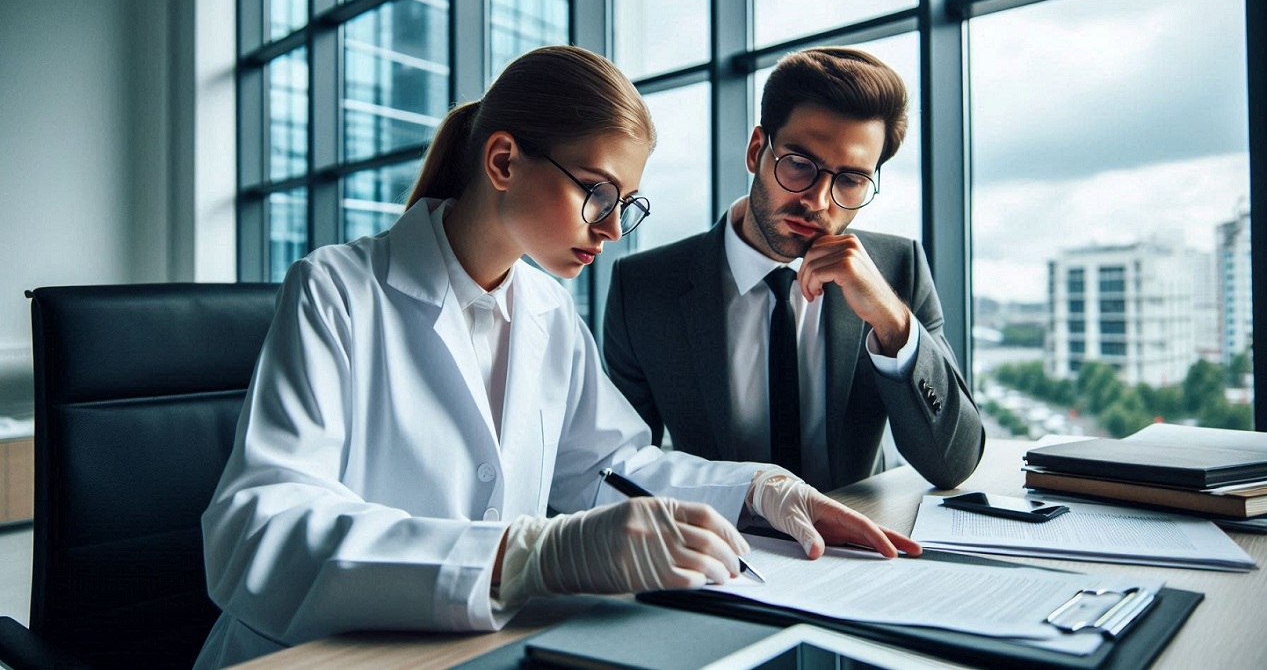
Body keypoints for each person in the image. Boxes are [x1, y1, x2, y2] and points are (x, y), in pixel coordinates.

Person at [194, 46, 920, 669]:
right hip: (314, 652)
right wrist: (526, 556)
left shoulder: (545, 310)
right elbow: (256, 530)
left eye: (626, 204)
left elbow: (612, 469)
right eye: (596, 193)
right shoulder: (337, 289)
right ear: (503, 160)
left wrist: (761, 489)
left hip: (479, 647)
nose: (610, 229)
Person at [603, 47, 984, 493]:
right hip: (723, 550)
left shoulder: (899, 271)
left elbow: (954, 464)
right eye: (800, 165)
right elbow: (621, 469)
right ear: (755, 151)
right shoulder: (645, 288)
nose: (818, 201)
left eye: (850, 180)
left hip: (858, 550)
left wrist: (892, 321)